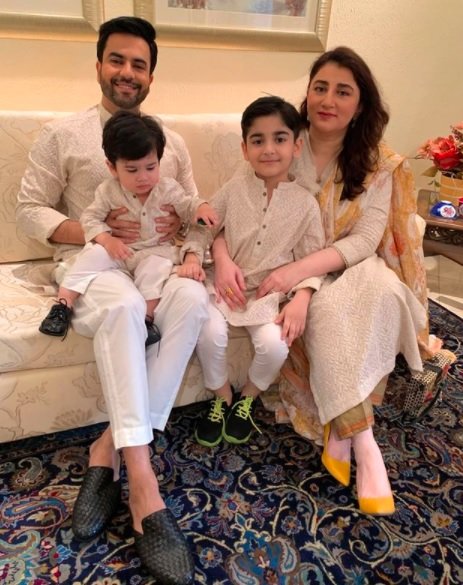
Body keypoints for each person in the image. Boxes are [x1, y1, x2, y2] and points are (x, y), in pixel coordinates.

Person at [16, 16, 206, 584]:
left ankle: (107, 448)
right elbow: (28, 212)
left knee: (193, 303)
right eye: (117, 60)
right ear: (99, 64)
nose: (127, 72)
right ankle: (143, 483)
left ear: (150, 76)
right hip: (96, 265)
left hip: (155, 262)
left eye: (138, 64)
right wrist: (99, 233)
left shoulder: (169, 143)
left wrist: (190, 246)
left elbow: (193, 213)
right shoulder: (62, 134)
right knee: (124, 308)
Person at [211, 46, 437, 516]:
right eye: (320, 87)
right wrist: (228, 256)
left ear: (361, 104)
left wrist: (297, 273)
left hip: (349, 264)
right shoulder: (279, 140)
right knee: (328, 310)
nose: (328, 100)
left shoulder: (379, 164)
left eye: (343, 91)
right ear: (308, 93)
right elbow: (230, 212)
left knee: (371, 291)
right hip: (288, 269)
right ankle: (363, 442)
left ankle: (351, 437)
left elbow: (366, 240)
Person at [178, 96, 325, 447]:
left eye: (279, 139)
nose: (269, 149)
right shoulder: (234, 188)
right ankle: (222, 397)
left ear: (296, 146)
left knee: (275, 346)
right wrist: (195, 256)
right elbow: (204, 225)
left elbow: (312, 258)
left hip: (265, 297)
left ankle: (247, 398)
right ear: (245, 149)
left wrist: (302, 297)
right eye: (258, 140)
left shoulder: (306, 204)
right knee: (208, 333)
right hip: (222, 288)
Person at [39, 111, 216, 344]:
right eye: (132, 170)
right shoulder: (108, 191)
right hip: (119, 251)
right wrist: (107, 240)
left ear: (159, 162)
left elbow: (188, 205)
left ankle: (147, 320)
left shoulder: (169, 189)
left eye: (151, 167)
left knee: (157, 270)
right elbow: (90, 218)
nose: (143, 177)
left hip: (154, 252)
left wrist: (201, 207)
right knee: (92, 256)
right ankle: (63, 305)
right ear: (112, 167)